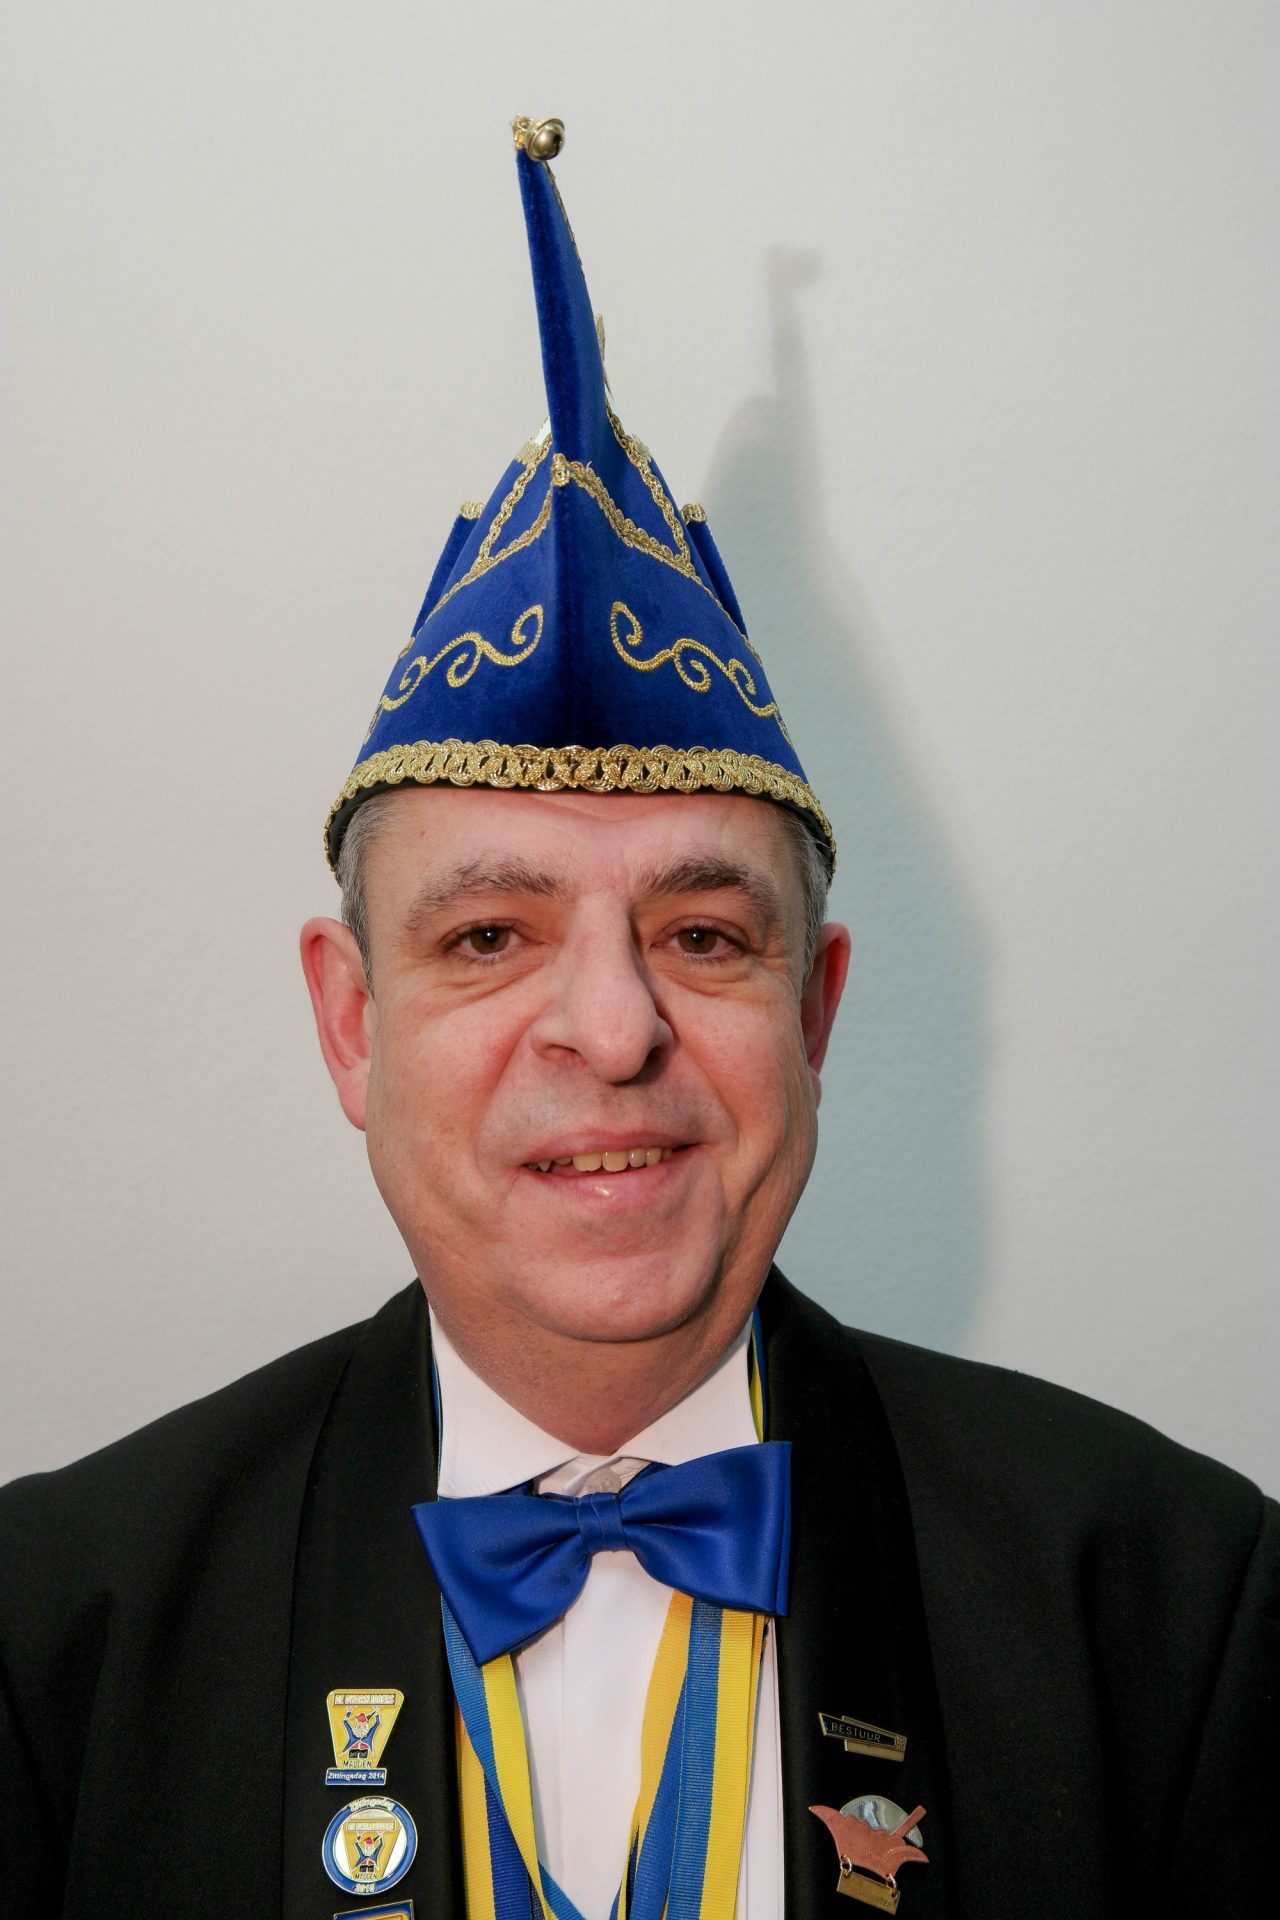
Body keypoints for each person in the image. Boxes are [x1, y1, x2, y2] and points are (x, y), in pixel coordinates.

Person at [1, 116, 1275, 1920]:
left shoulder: (1180, 1605)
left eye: (702, 934)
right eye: (490, 936)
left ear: (815, 1012)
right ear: (350, 1023)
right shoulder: (50, 1638)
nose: (612, 1031)